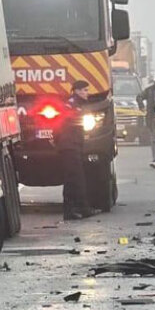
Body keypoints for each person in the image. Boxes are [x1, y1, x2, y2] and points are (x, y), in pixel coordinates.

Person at [57, 80, 94, 220]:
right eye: (85, 90)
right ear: (77, 91)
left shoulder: (78, 104)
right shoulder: (72, 105)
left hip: (72, 145)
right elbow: (65, 123)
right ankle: (82, 209)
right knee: (76, 179)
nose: (87, 93)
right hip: (70, 146)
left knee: (72, 179)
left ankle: (71, 210)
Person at [139, 75, 155, 168]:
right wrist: (141, 106)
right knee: (154, 139)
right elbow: (139, 97)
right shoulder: (149, 90)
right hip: (152, 118)